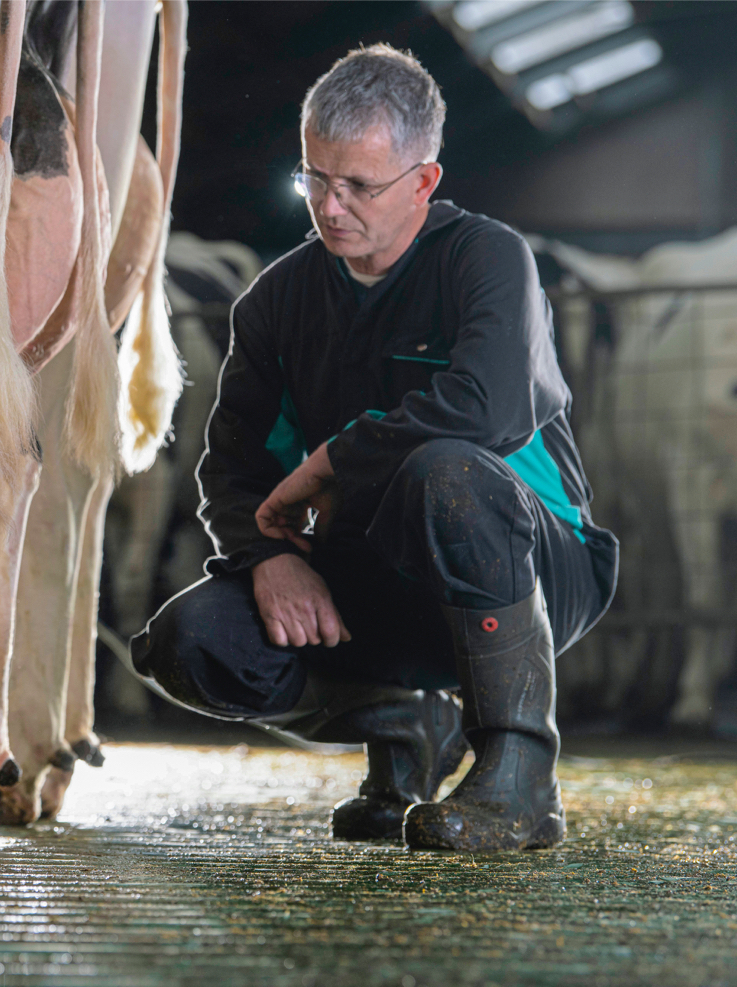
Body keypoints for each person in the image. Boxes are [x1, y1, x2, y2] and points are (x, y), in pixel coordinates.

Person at [127, 44, 618, 851]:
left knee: (446, 470)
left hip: (527, 563)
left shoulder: (485, 260)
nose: (329, 205)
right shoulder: (276, 300)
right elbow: (232, 467)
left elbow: (487, 407)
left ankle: (519, 771)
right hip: (357, 573)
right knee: (190, 644)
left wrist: (328, 463)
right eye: (313, 177)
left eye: (358, 184)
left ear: (423, 181)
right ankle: (407, 721)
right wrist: (262, 556)